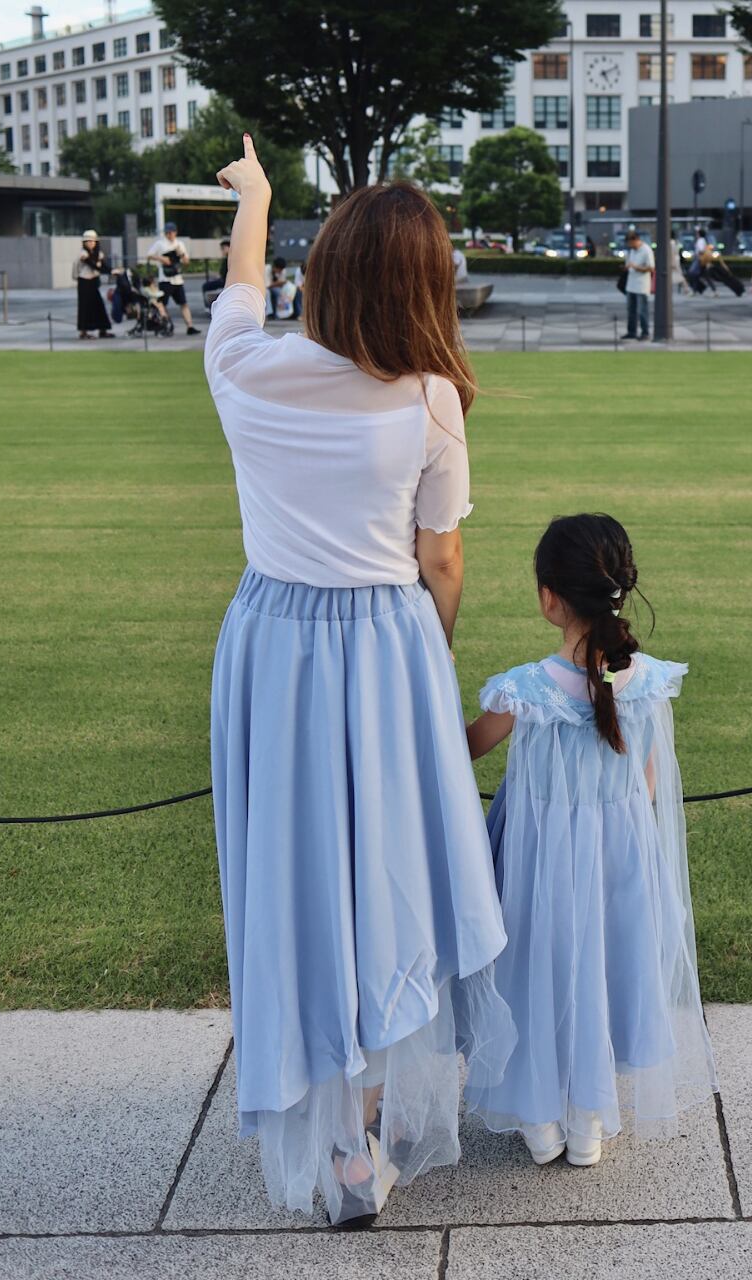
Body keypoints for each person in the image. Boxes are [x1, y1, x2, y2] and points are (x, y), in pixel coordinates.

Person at [205, 134, 513, 1230]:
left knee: (296, 879)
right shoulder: (429, 399)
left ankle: (333, 1128)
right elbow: (443, 558)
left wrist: (255, 198)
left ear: (326, 269)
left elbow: (242, 289)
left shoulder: (242, 368)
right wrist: (432, 655)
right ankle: (363, 1124)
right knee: (385, 881)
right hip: (383, 645)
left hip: (272, 642)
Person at [463, 513, 717, 1168]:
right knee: (603, 969)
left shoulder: (523, 692)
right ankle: (588, 1120)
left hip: (539, 863)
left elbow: (461, 751)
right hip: (619, 858)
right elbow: (648, 781)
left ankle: (540, 1119)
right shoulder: (645, 683)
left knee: (537, 972)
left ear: (550, 598)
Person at [147, 220, 201, 334]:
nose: (169, 235)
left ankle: (190, 326)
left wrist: (181, 253)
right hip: (165, 279)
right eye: (167, 232)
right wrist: (161, 258)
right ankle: (166, 324)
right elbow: (149, 255)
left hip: (177, 279)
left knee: (183, 303)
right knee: (162, 303)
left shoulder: (179, 244)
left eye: (171, 232)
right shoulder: (160, 244)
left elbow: (186, 261)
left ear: (175, 232)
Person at [74, 229, 115, 339]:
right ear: (84, 243)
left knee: (98, 305)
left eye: (93, 241)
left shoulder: (98, 254)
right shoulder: (83, 254)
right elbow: (92, 265)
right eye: (88, 241)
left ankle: (103, 330)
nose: (91, 243)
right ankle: (83, 332)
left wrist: (112, 270)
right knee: (85, 307)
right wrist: (110, 271)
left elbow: (103, 266)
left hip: (93, 282)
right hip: (84, 282)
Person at [623, 229, 654, 340]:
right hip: (631, 284)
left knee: (642, 310)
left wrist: (636, 267)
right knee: (631, 310)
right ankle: (632, 331)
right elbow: (629, 263)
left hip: (641, 285)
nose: (629, 245)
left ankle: (645, 332)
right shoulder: (632, 251)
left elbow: (651, 268)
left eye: (630, 243)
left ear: (635, 240)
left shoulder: (646, 250)